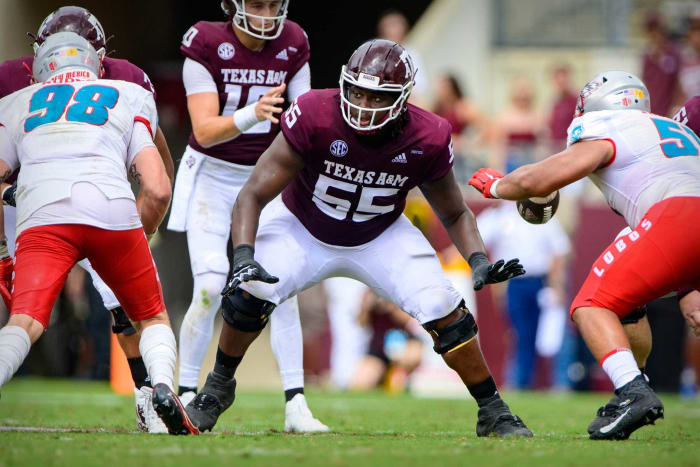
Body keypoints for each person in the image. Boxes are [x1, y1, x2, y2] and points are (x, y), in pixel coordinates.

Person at [185, 39, 533, 438]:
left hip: (379, 232)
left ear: (402, 99)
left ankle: (493, 409)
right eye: (358, 92)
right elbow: (252, 194)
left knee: (443, 306)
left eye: (377, 97)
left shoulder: (429, 134)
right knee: (249, 290)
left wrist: (478, 261)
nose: (364, 105)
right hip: (303, 225)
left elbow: (454, 211)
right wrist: (244, 254)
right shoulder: (315, 112)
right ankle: (217, 388)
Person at [469, 71, 700, 440]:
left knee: (591, 304)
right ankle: (632, 383)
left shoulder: (608, 125)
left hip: (674, 216)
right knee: (628, 304)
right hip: (685, 216)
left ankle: (632, 391)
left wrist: (499, 185)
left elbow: (539, 181)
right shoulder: (673, 130)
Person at [0, 32, 196, 435]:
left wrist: (12, 202)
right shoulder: (127, 91)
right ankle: (159, 391)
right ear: (96, 61)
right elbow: (158, 185)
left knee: (25, 322)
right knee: (151, 315)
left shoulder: (16, 101)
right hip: (110, 207)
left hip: (42, 212)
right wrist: (134, 240)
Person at [166, 0, 326, 432]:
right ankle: (184, 394)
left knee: (281, 286)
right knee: (210, 286)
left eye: (274, 4)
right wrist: (251, 113)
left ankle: (296, 405)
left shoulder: (293, 40)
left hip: (266, 179)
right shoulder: (207, 40)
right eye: (258, 4)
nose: (268, 13)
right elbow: (203, 129)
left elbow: (306, 112)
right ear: (233, 5)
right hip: (213, 178)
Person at [476, 201, 570, 389]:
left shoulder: (541, 214)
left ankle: (560, 384)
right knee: (519, 333)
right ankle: (519, 382)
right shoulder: (499, 215)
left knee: (552, 334)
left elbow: (559, 250)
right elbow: (476, 236)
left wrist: (557, 285)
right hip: (514, 282)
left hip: (541, 281)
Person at [641, 12, 682, 116]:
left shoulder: (672, 53)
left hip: (668, 110)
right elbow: (646, 82)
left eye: (656, 29)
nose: (654, 34)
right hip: (652, 110)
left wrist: (676, 105)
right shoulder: (647, 56)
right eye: (651, 30)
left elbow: (677, 82)